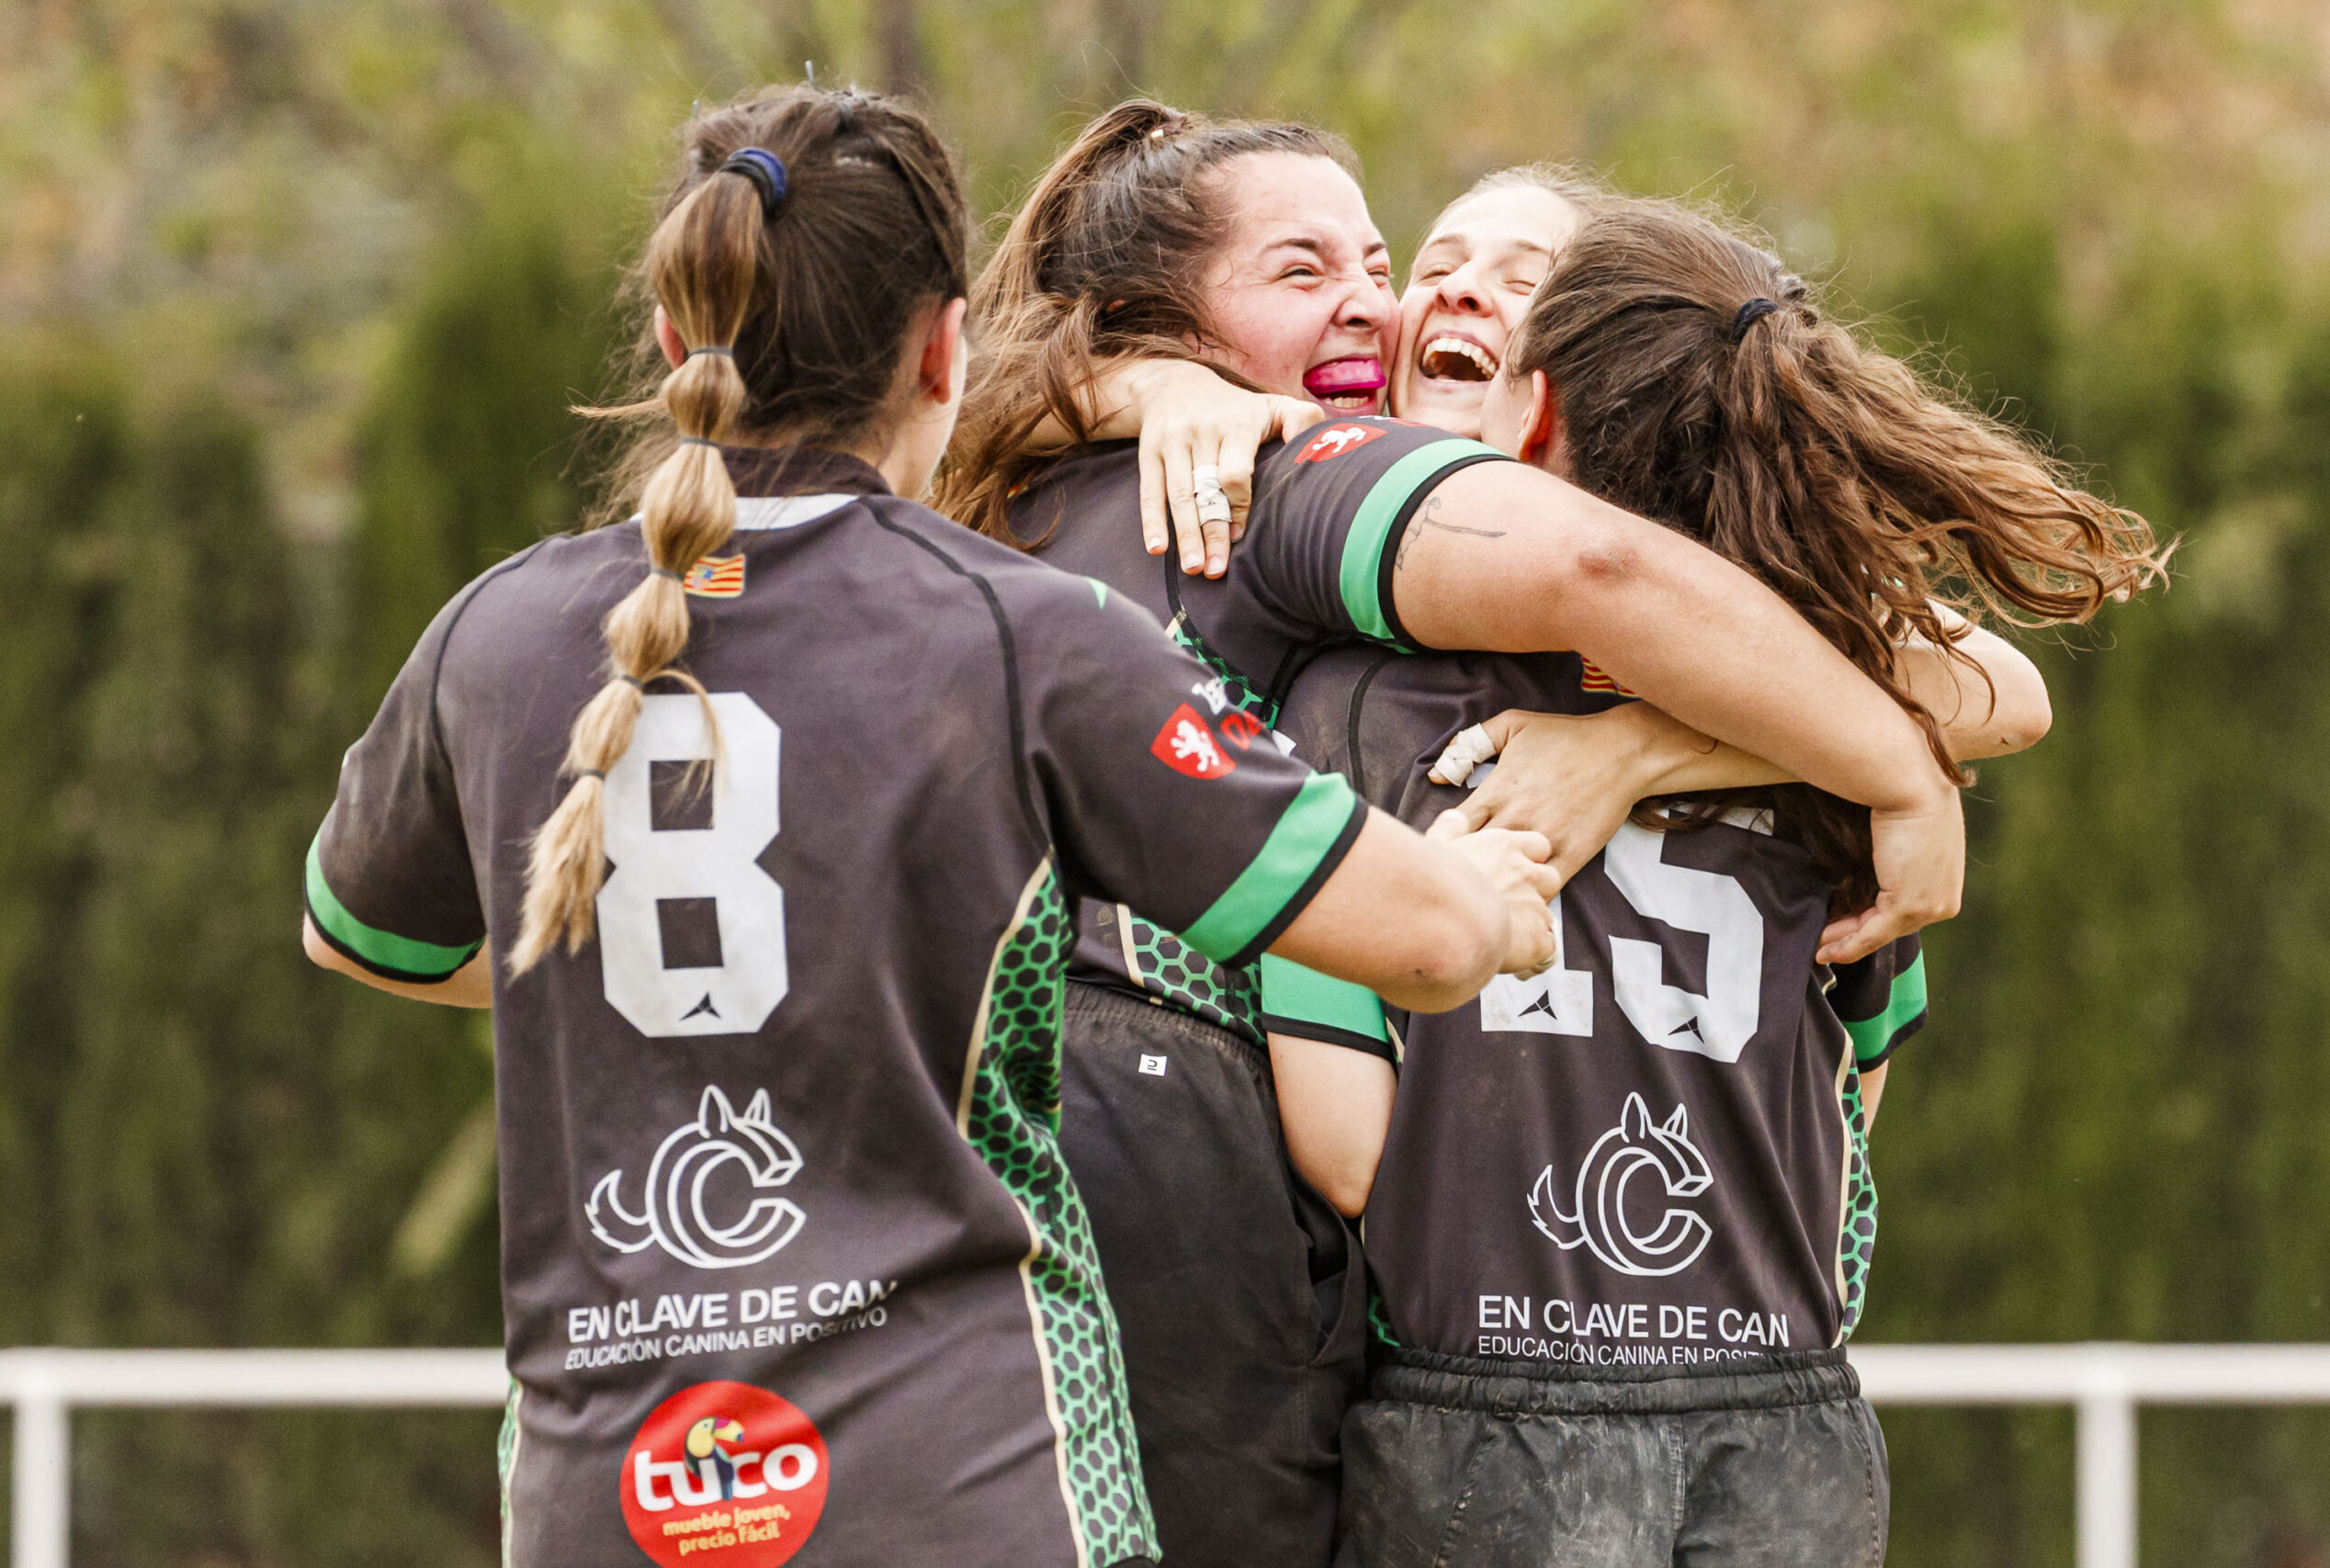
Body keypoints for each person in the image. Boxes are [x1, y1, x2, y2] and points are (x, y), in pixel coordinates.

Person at [297, 85, 1563, 1568]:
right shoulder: (1023, 636)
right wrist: (1492, 881)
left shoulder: (493, 635)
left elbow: (367, 941)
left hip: (612, 1496)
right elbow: (1416, 941)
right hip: (960, 1483)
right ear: (944, 347)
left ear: (671, 336)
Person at [938, 101, 1974, 1568]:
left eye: (1387, 260)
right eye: (1332, 269)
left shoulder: (1367, 670)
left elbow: (1960, 680)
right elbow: (1939, 708)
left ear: (1569, 384)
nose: (1403, 297)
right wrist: (1905, 778)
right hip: (1749, 1399)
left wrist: (1640, 751)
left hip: (1438, 1376)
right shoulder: (1310, 508)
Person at [1256, 196, 2165, 1567]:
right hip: (1785, 1417)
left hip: (1481, 1419)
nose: (1453, 294)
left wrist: (1615, 766)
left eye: (1514, 280)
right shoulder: (1831, 734)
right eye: (1430, 266)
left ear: (1539, 403)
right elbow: (1857, 1103)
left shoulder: (1346, 701)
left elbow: (1342, 1148)